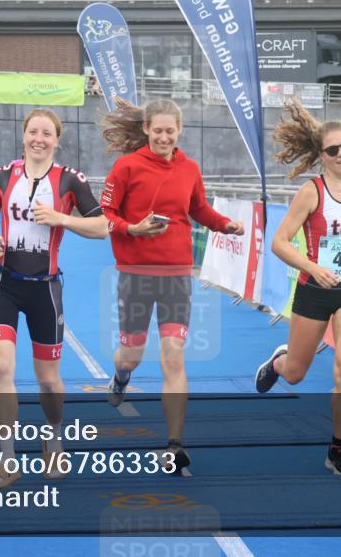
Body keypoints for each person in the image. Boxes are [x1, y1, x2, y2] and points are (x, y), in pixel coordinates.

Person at [100, 98, 244, 472]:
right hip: (135, 274)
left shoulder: (190, 168)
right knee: (130, 354)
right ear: (146, 129)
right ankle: (121, 375)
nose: (164, 137)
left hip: (177, 275)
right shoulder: (126, 166)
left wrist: (224, 223)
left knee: (174, 356)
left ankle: (174, 444)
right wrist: (132, 228)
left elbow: (198, 209)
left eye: (170, 131)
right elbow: (107, 216)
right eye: (158, 130)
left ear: (179, 131)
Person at [0, 108, 108, 488]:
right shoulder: (1, 176)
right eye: (33, 131)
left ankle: (54, 437)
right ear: (23, 135)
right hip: (3, 282)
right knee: (2, 367)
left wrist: (62, 219)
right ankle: (7, 457)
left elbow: (102, 227)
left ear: (56, 140)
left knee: (48, 381)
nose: (39, 139)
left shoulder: (70, 181)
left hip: (46, 289)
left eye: (46, 133)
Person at [253, 101, 341, 476]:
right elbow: (279, 242)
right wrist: (312, 267)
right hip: (314, 288)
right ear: (321, 156)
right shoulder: (311, 192)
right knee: (296, 374)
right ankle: (279, 360)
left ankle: (337, 448)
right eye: (333, 150)